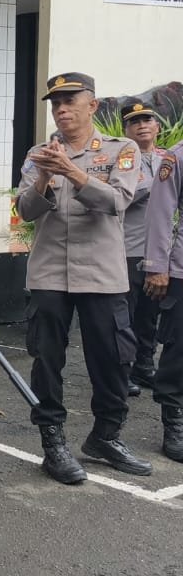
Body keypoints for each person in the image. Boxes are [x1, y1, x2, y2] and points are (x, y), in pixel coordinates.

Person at [16, 72, 151, 485]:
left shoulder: (121, 149)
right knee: (46, 360)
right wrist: (45, 175)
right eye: (56, 103)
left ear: (92, 106)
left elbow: (117, 200)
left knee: (112, 358)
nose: (61, 109)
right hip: (50, 272)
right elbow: (26, 211)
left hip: (101, 273)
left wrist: (72, 172)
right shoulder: (39, 154)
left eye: (70, 101)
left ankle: (105, 436)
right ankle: (52, 442)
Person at [139, 103, 183, 464]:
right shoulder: (177, 157)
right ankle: (174, 422)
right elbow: (160, 211)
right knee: (179, 349)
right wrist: (157, 266)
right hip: (182, 271)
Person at [118, 99, 165, 398]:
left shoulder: (167, 158)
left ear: (157, 126)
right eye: (134, 122)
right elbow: (120, 196)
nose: (142, 125)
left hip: (160, 250)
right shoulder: (122, 159)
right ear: (126, 130)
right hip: (129, 248)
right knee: (125, 314)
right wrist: (159, 186)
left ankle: (144, 366)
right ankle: (121, 370)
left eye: (147, 120)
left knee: (150, 313)